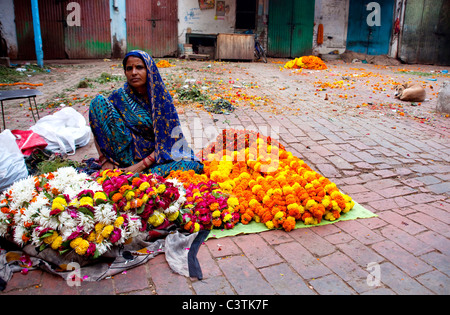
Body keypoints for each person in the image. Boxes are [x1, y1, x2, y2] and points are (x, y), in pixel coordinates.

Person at [89, 50, 203, 177]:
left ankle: (139, 174)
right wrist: (104, 160)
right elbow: (99, 129)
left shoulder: (162, 100)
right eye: (129, 69)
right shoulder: (118, 97)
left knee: (193, 165)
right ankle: (137, 174)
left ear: (150, 70)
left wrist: (140, 166)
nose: (133, 73)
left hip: (154, 160)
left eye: (139, 67)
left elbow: (168, 142)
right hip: (123, 156)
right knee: (97, 102)